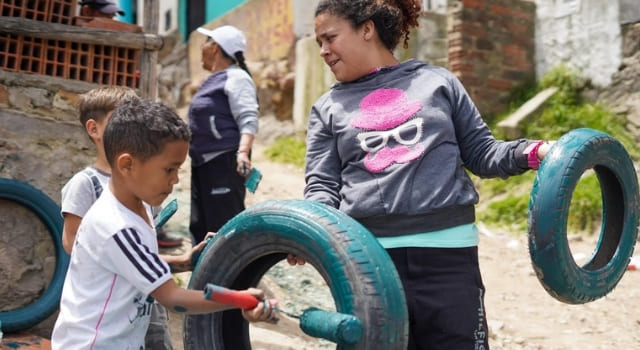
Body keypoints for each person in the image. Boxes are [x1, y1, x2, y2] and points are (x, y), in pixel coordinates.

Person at [299, 1, 552, 349]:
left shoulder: (437, 83)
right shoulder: (327, 108)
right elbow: (323, 186)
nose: (324, 51)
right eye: (319, 44)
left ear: (367, 29)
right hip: (369, 264)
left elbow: (482, 153)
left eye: (330, 38)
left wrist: (535, 152)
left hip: (448, 261)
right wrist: (308, 229)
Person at [51, 99, 277, 349]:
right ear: (127, 165)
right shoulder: (115, 226)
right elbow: (173, 298)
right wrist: (239, 300)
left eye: (178, 169)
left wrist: (184, 262)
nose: (175, 180)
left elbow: (138, 262)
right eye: (169, 169)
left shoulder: (141, 207)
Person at [59, 87, 185, 350]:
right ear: (94, 129)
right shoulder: (85, 184)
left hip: (144, 295)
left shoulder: (143, 187)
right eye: (121, 120)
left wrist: (179, 262)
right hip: (113, 302)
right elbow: (73, 243)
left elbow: (140, 252)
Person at [188, 25, 259, 244]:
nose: (202, 48)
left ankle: (237, 278)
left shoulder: (237, 78)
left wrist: (243, 153)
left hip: (224, 163)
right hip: (203, 164)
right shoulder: (214, 79)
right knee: (201, 227)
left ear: (215, 47)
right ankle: (205, 275)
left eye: (205, 42)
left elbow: (249, 117)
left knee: (224, 228)